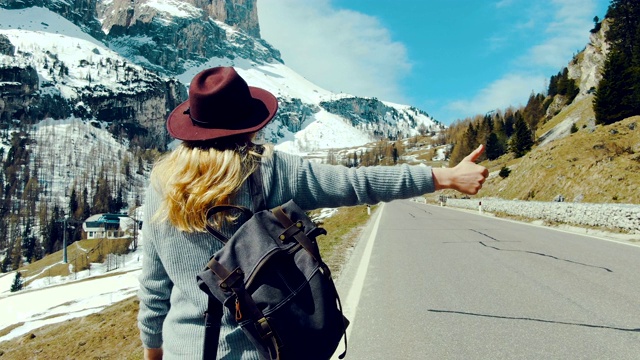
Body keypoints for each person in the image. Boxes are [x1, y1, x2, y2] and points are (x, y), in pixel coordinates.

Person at [137, 66, 488, 360]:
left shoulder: (160, 187)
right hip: (268, 348)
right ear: (251, 125)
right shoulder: (268, 170)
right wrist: (445, 177)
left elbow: (154, 290)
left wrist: (154, 353)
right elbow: (357, 184)